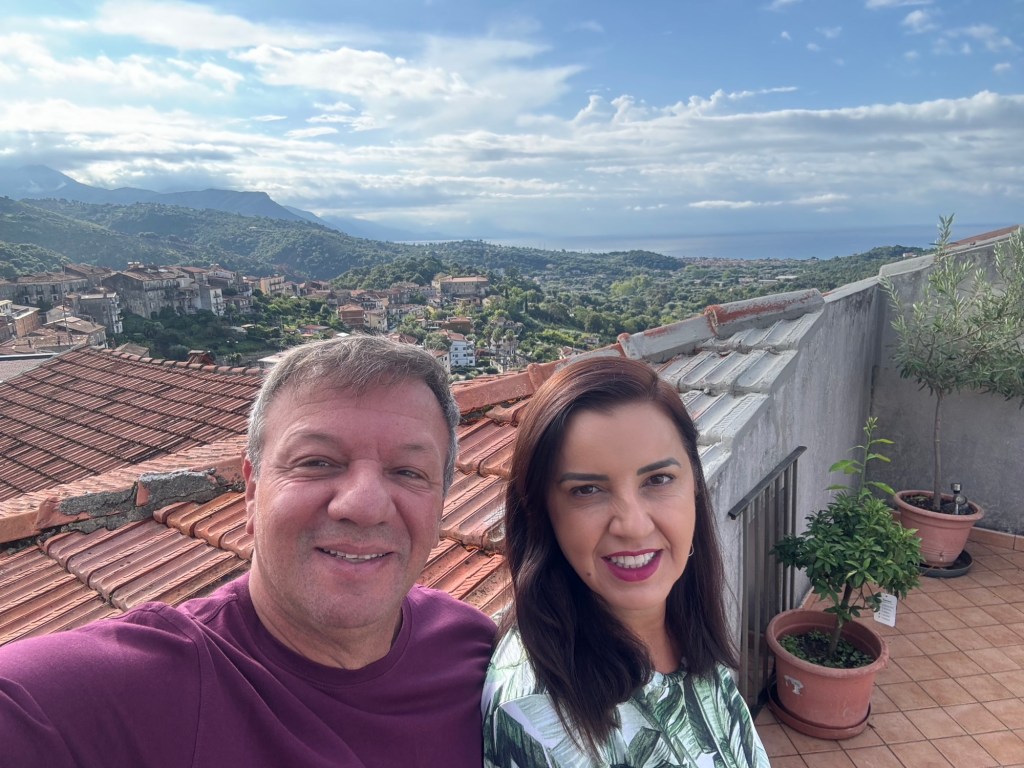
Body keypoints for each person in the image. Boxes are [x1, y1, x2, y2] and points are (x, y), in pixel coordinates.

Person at [0, 335, 497, 767]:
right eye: (317, 462)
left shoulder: (477, 654)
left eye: (408, 472)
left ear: (440, 506)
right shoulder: (126, 691)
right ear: (252, 490)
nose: (364, 506)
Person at [482, 356, 769, 767]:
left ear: (694, 484)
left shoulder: (682, 626)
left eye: (658, 479)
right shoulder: (540, 718)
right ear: (543, 512)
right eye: (587, 490)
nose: (633, 526)